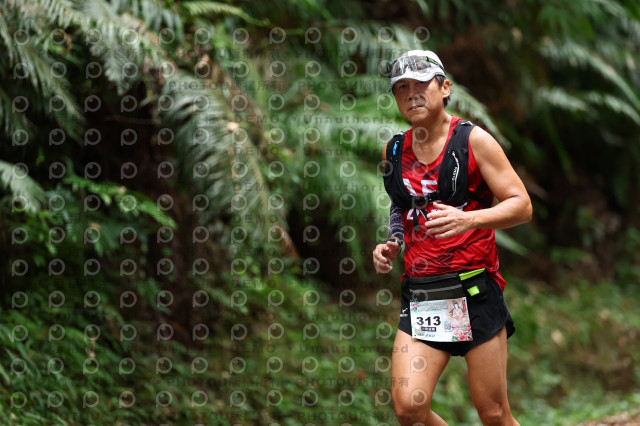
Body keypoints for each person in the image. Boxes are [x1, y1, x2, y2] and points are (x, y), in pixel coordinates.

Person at [372, 50, 532, 425]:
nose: (411, 93)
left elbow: (521, 205)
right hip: (423, 295)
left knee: (493, 413)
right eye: (401, 88)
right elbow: (401, 207)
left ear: (445, 88)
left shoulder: (474, 141)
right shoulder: (394, 150)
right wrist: (392, 243)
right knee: (409, 409)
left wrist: (468, 219)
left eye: (421, 84)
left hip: (474, 289)